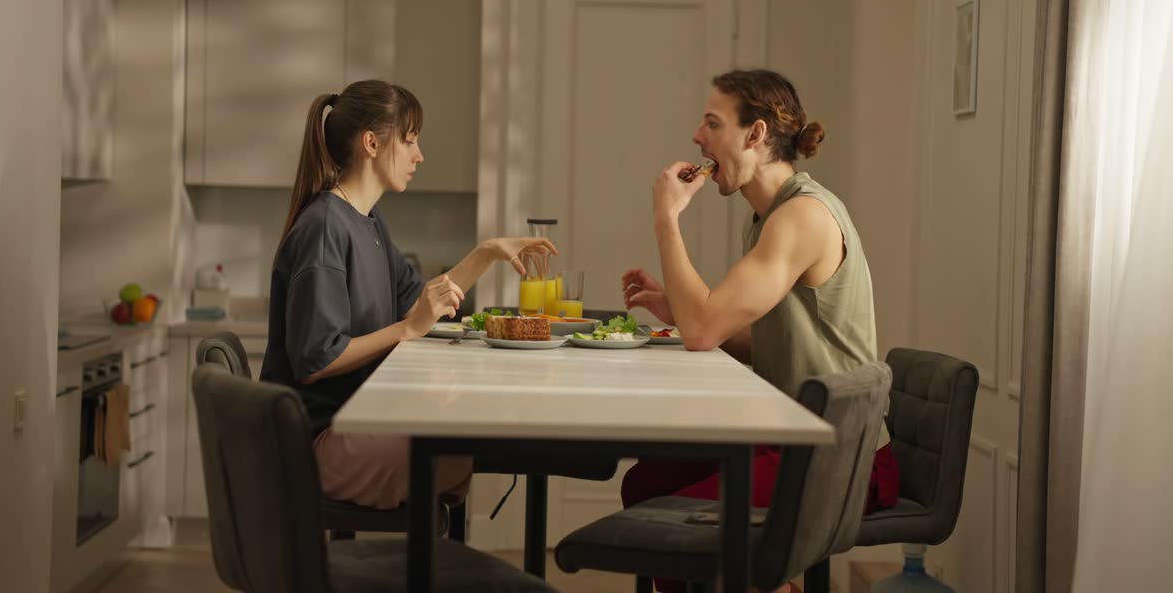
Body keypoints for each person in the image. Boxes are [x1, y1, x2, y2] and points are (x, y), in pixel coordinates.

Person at [622, 69, 898, 592]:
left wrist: (666, 222)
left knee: (676, 528)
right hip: (793, 439)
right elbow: (762, 340)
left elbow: (703, 331)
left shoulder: (802, 217)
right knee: (646, 485)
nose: (697, 138)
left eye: (711, 123)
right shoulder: (768, 217)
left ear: (757, 134)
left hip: (839, 456)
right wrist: (679, 310)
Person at [260, 79, 556, 510]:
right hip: (317, 441)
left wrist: (486, 253)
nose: (420, 155)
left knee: (457, 442)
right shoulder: (325, 228)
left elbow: (423, 304)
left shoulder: (368, 222)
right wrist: (407, 329)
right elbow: (315, 360)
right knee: (454, 452)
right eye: (411, 140)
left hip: (353, 422)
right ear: (372, 144)